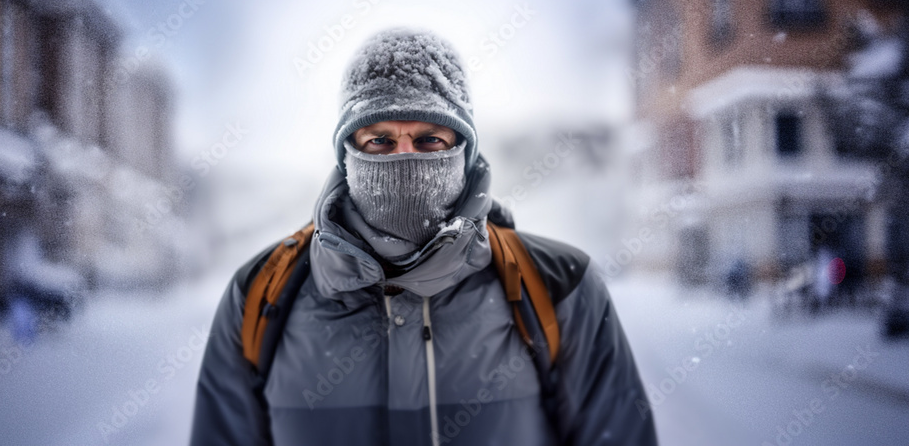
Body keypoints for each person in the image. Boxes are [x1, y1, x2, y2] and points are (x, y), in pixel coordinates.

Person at [190, 29, 658, 445]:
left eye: (430, 139)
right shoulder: (261, 294)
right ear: (347, 153)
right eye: (380, 141)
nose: (404, 158)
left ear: (464, 149)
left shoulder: (560, 286)